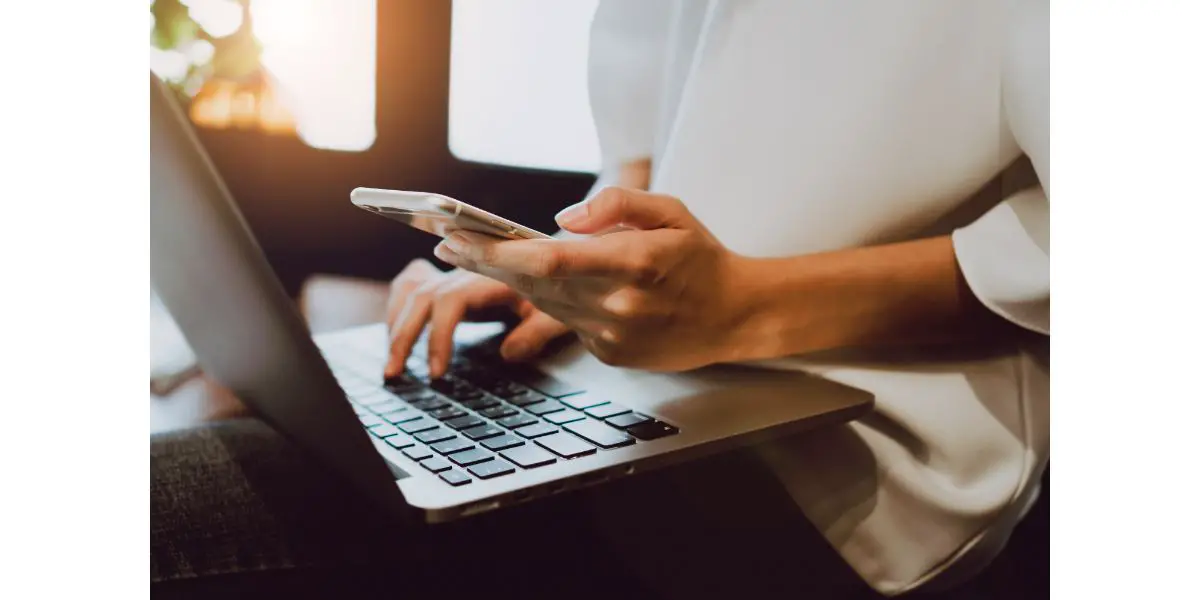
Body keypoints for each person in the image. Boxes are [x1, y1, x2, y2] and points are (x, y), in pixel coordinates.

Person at [152, 1, 1048, 598]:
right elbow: (646, 149)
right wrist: (556, 275)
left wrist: (741, 307)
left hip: (843, 490)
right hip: (622, 404)